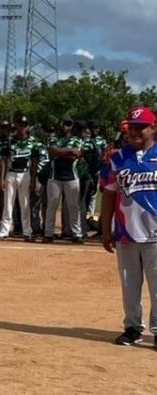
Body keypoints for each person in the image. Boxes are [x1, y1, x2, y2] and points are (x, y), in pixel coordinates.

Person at [100, 105, 157, 347]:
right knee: (129, 285)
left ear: (153, 128)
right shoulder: (117, 158)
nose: (134, 132)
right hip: (126, 232)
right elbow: (108, 195)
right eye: (131, 127)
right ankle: (133, 327)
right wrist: (105, 230)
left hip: (155, 233)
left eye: (140, 127)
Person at [44, 117, 84, 244]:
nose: (65, 127)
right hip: (54, 177)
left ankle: (76, 234)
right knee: (52, 206)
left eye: (68, 124)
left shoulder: (77, 140)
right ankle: (48, 233)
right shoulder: (53, 138)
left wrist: (60, 152)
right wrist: (69, 150)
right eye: (63, 124)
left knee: (74, 207)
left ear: (72, 126)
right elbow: (51, 153)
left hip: (71, 177)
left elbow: (75, 156)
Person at [0, 117, 38, 242]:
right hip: (11, 173)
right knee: (8, 204)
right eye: (20, 125)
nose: (22, 127)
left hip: (25, 174)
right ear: (16, 125)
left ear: (27, 127)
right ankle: (5, 230)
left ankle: (27, 231)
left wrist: (33, 179)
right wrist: (2, 178)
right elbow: (3, 160)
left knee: (25, 204)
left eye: (24, 125)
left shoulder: (33, 142)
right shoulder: (9, 141)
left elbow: (35, 162)